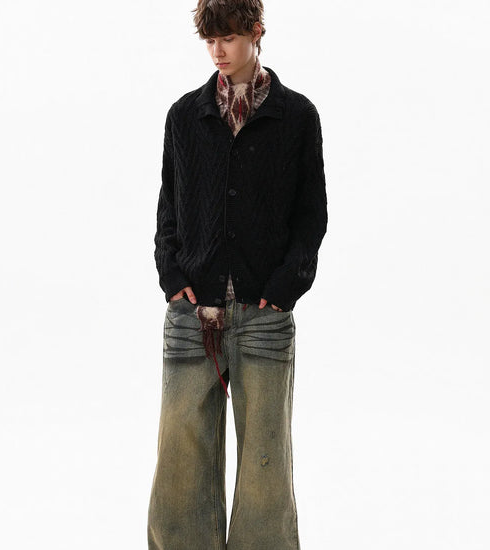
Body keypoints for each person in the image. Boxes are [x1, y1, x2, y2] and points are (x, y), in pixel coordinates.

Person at [147, 1, 328, 548]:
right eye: (209, 40)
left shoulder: (297, 116)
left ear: (255, 32)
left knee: (266, 460)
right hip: (191, 311)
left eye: (227, 38)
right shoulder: (185, 115)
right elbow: (168, 207)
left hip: (264, 314)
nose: (218, 51)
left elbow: (311, 214)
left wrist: (286, 285)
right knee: (181, 457)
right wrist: (171, 274)